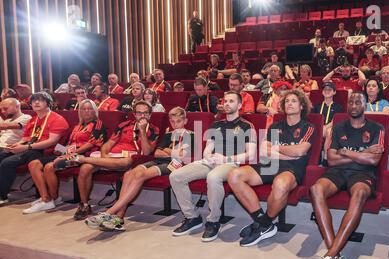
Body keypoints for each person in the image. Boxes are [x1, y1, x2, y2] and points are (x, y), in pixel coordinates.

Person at [310, 92, 385, 259]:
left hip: (364, 174)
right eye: (350, 101)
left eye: (358, 101)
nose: (353, 104)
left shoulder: (377, 128)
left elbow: (374, 159)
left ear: (365, 104)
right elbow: (331, 159)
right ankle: (335, 257)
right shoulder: (338, 127)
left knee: (359, 192)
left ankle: (329, 256)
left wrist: (346, 151)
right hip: (338, 172)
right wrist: (362, 153)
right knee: (316, 189)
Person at [228, 89, 315, 247]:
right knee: (234, 175)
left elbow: (300, 151)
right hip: (269, 164)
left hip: (292, 168)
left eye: (294, 101)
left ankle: (263, 224)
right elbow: (264, 151)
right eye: (287, 101)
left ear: (302, 106)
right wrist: (288, 151)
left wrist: (277, 149)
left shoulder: (308, 127)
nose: (289, 103)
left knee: (281, 184)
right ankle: (263, 222)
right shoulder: (275, 126)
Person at [86, 107, 194, 231]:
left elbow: (183, 156)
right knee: (129, 174)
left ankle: (110, 212)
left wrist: (167, 151)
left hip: (175, 164)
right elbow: (157, 153)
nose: (175, 125)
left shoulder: (191, 135)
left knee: (141, 175)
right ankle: (119, 218)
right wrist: (171, 151)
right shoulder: (169, 134)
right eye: (173, 121)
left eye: (178, 121)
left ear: (185, 121)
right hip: (159, 160)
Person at [170, 91, 257, 242]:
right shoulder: (216, 124)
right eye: (225, 101)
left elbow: (250, 154)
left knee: (213, 177)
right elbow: (208, 148)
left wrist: (226, 158)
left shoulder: (247, 126)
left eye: (231, 101)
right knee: (176, 176)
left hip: (231, 163)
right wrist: (208, 155)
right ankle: (192, 217)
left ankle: (213, 221)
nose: (227, 104)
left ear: (240, 105)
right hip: (210, 161)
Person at [73, 100, 159, 220]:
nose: (142, 116)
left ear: (150, 114)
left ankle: (82, 159)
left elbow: (147, 152)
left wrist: (143, 131)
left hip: (129, 158)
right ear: (134, 114)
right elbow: (108, 144)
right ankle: (84, 205)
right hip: (110, 157)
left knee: (126, 161)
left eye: (145, 113)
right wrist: (104, 156)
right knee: (85, 168)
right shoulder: (123, 125)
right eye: (139, 113)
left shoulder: (154, 129)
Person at [24, 99, 107, 214]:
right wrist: (60, 150)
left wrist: (71, 154)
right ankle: (51, 198)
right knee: (34, 163)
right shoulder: (78, 125)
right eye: (83, 109)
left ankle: (51, 199)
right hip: (68, 153)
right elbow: (69, 143)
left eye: (89, 109)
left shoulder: (98, 124)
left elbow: (90, 144)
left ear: (95, 111)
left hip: (83, 155)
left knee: (49, 167)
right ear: (80, 111)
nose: (86, 111)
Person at [0, 92, 69, 205]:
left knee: (7, 163)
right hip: (31, 148)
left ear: (48, 103)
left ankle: (2, 196)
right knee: (2, 155)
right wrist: (16, 145)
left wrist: (25, 147)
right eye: (34, 101)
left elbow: (51, 141)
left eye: (40, 100)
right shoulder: (33, 120)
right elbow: (26, 137)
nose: (36, 102)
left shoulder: (57, 119)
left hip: (47, 151)